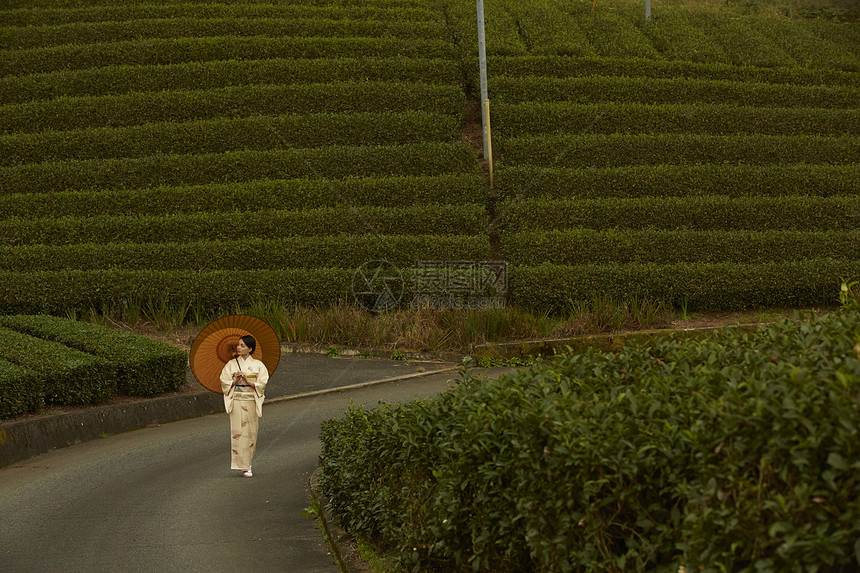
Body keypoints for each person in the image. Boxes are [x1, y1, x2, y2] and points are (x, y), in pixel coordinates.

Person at [219, 335, 269, 477]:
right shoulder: (231, 364)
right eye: (238, 345)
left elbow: (263, 383)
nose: (239, 348)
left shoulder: (258, 365)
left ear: (250, 348)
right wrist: (234, 381)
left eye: (242, 345)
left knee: (251, 433)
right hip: (237, 401)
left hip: (251, 400)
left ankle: (248, 463)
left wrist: (249, 381)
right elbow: (224, 381)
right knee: (238, 433)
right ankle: (244, 466)